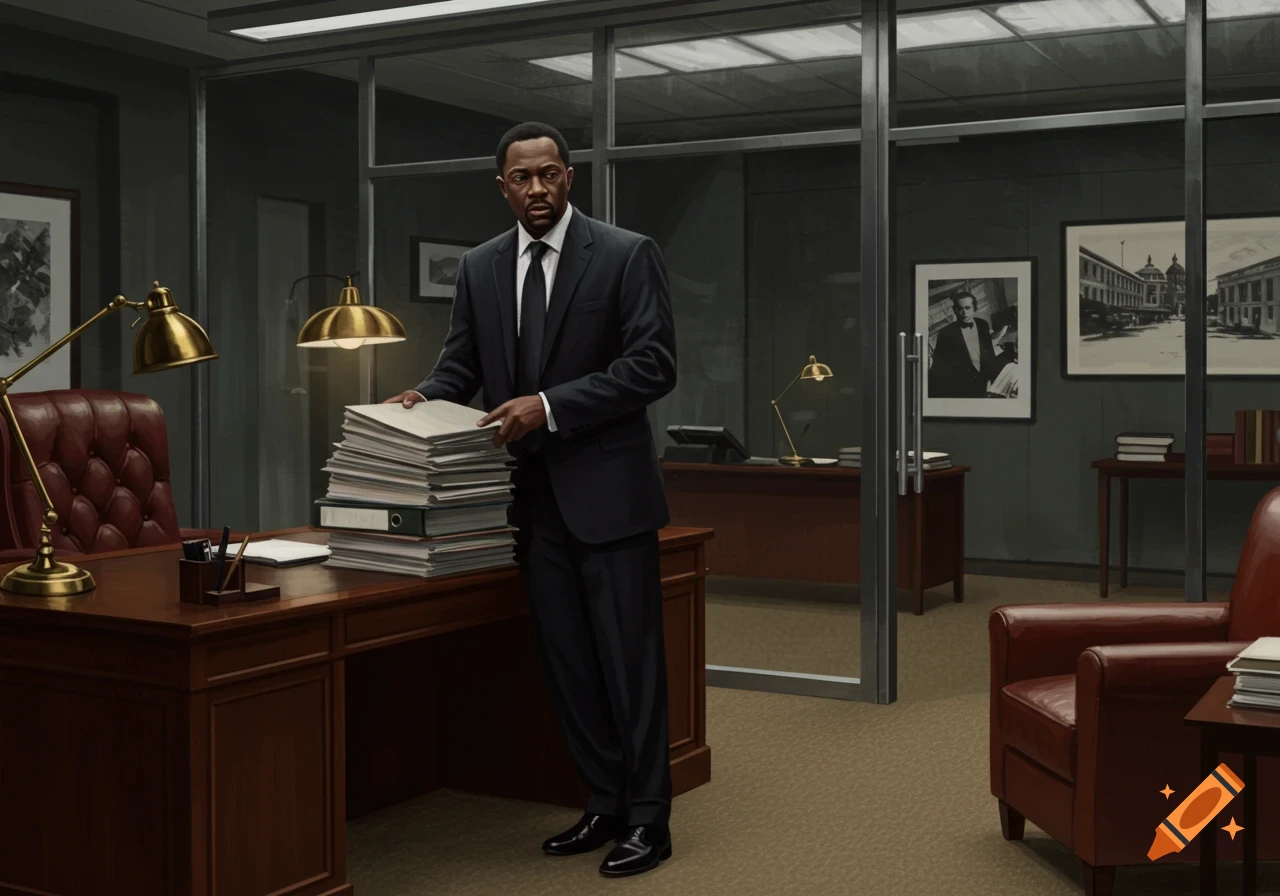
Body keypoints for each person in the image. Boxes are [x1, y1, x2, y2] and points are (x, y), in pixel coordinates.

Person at [383, 121, 678, 878]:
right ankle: (604, 801)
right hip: (527, 505)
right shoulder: (481, 267)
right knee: (570, 664)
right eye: (523, 178)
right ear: (502, 187)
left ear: (570, 178)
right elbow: (463, 368)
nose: (537, 189)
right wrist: (420, 399)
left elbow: (652, 365)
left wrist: (547, 405)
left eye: (550, 174)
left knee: (629, 663)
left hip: (610, 498)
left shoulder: (623, 253)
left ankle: (649, 817)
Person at [928, 291, 1008, 398]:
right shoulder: (945, 333)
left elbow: (989, 353)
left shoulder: (982, 324)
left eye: (967, 308)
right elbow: (938, 366)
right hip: (961, 388)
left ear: (974, 309)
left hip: (984, 382)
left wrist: (990, 378)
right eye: (960, 309)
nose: (964, 313)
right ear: (955, 310)